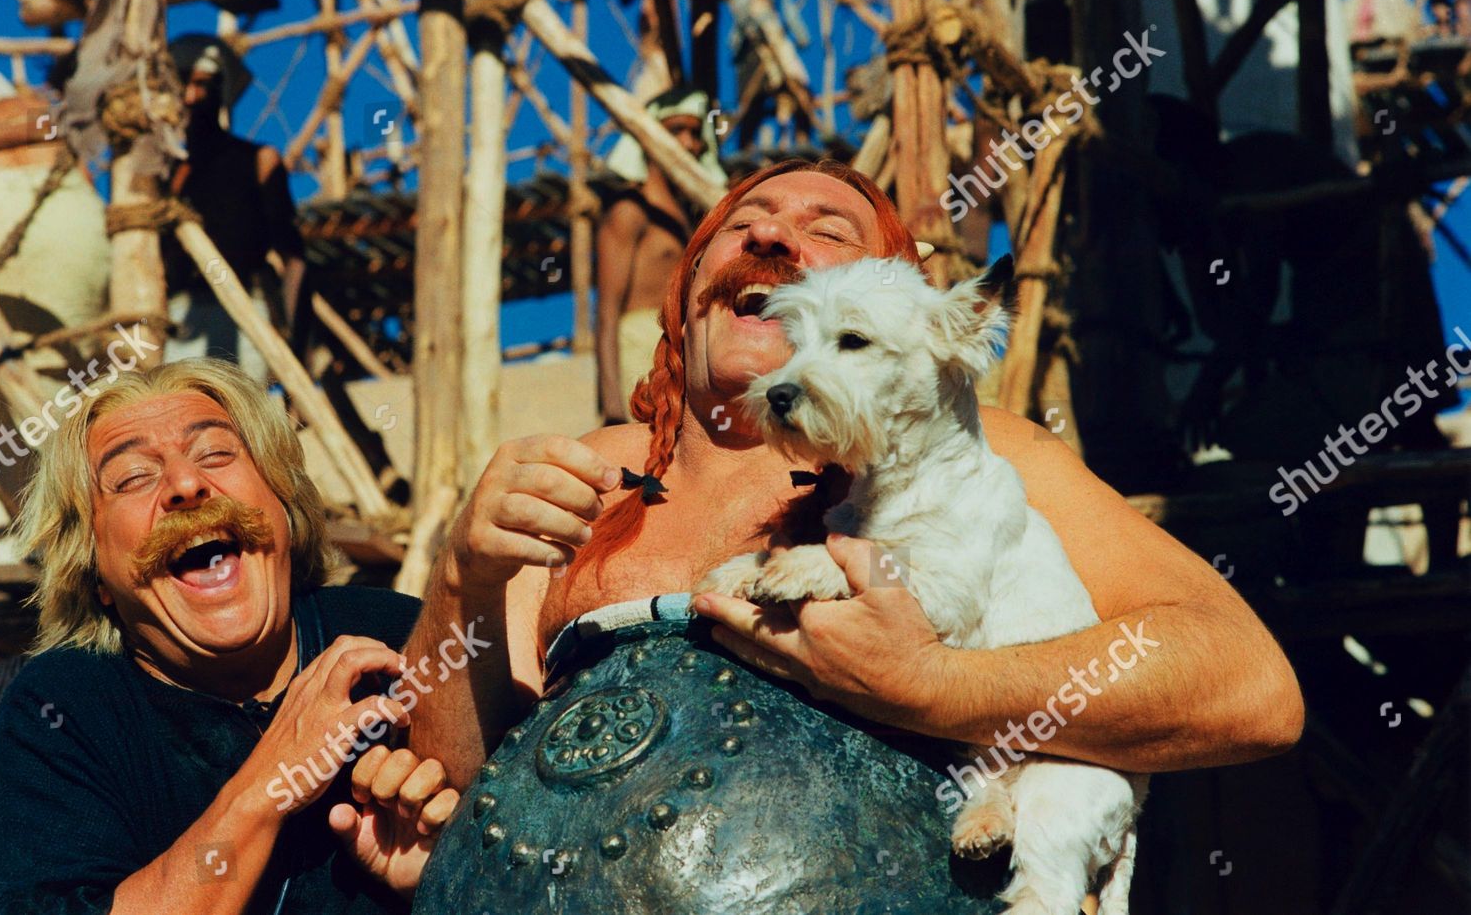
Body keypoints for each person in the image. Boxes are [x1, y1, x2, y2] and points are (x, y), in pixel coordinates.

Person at [404, 158, 1305, 801]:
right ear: (686, 296)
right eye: (739, 225)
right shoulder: (577, 478)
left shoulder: (978, 457)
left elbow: (1247, 686)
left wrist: (930, 684)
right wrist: (460, 578)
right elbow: (448, 791)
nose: (768, 233)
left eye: (825, 229)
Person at [0, 358, 456, 914]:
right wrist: (267, 785)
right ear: (95, 574)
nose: (185, 484)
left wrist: (443, 878)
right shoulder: (60, 710)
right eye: (133, 477)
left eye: (216, 455)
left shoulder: (399, 635)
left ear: (284, 506)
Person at [164, 35, 312, 379]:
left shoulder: (259, 161)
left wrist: (296, 353)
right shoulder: (165, 177)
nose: (190, 96)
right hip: (178, 323)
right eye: (183, 84)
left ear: (221, 90)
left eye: (202, 84)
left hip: (245, 314)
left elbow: (294, 259)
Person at [597, 83, 727, 423]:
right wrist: (612, 407)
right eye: (675, 131)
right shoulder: (630, 209)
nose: (687, 142)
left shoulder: (689, 219)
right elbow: (608, 311)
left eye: (694, 132)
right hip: (638, 352)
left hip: (678, 356)